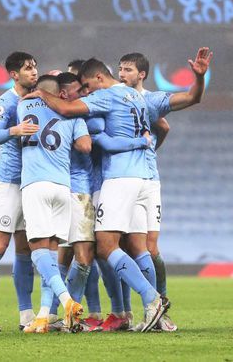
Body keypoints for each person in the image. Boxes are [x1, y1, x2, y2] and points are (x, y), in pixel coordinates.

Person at [23, 58, 168, 332]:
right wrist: (143, 142)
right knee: (76, 253)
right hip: (76, 187)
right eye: (80, 88)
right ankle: (59, 312)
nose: (85, 93)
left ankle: (106, 309)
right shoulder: (91, 108)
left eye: (84, 86)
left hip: (86, 187)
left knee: (88, 253)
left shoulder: (82, 109)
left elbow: (94, 142)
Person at [117, 47, 213, 331]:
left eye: (128, 70)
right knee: (127, 246)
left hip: (149, 180)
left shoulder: (151, 100)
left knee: (150, 247)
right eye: (120, 69)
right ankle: (137, 309)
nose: (122, 74)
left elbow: (192, 98)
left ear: (142, 74)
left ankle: (160, 306)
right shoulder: (113, 97)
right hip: (122, 179)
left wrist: (199, 77)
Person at [17, 74, 92, 334]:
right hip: (62, 186)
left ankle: (66, 301)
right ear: (60, 94)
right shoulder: (73, 115)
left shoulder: (22, 106)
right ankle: (42, 316)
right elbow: (84, 145)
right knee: (51, 254)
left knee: (38, 251)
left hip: (35, 184)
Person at [0, 51, 38, 332]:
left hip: (30, 182)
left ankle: (26, 314)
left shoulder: (36, 99)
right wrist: (16, 129)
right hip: (8, 183)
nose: (34, 72)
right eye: (28, 68)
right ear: (14, 74)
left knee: (25, 250)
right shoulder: (5, 101)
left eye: (35, 67)